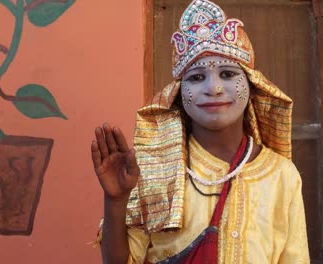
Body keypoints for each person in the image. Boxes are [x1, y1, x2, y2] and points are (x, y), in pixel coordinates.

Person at [91, 0, 309, 263]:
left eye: (228, 74)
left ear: (251, 88)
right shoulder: (153, 169)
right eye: (196, 78)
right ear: (179, 95)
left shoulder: (281, 175)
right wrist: (115, 200)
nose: (214, 88)